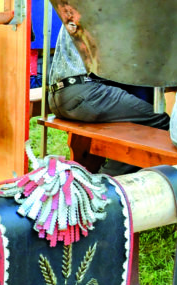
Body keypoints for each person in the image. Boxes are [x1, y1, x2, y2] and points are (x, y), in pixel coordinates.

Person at [47, 28, 169, 175]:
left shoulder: (73, 9)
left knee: (135, 116)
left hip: (57, 94)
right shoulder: (106, 12)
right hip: (85, 92)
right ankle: (106, 181)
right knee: (160, 121)